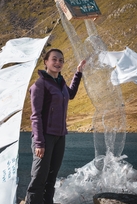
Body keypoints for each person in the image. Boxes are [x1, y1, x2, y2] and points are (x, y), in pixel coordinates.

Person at [25, 48, 86, 204]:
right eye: (54, 59)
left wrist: (78, 73)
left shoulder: (60, 83)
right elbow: (36, 116)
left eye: (61, 60)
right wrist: (39, 142)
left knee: (51, 177)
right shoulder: (40, 84)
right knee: (39, 177)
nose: (58, 62)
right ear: (46, 62)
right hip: (44, 137)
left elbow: (70, 94)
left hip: (60, 136)